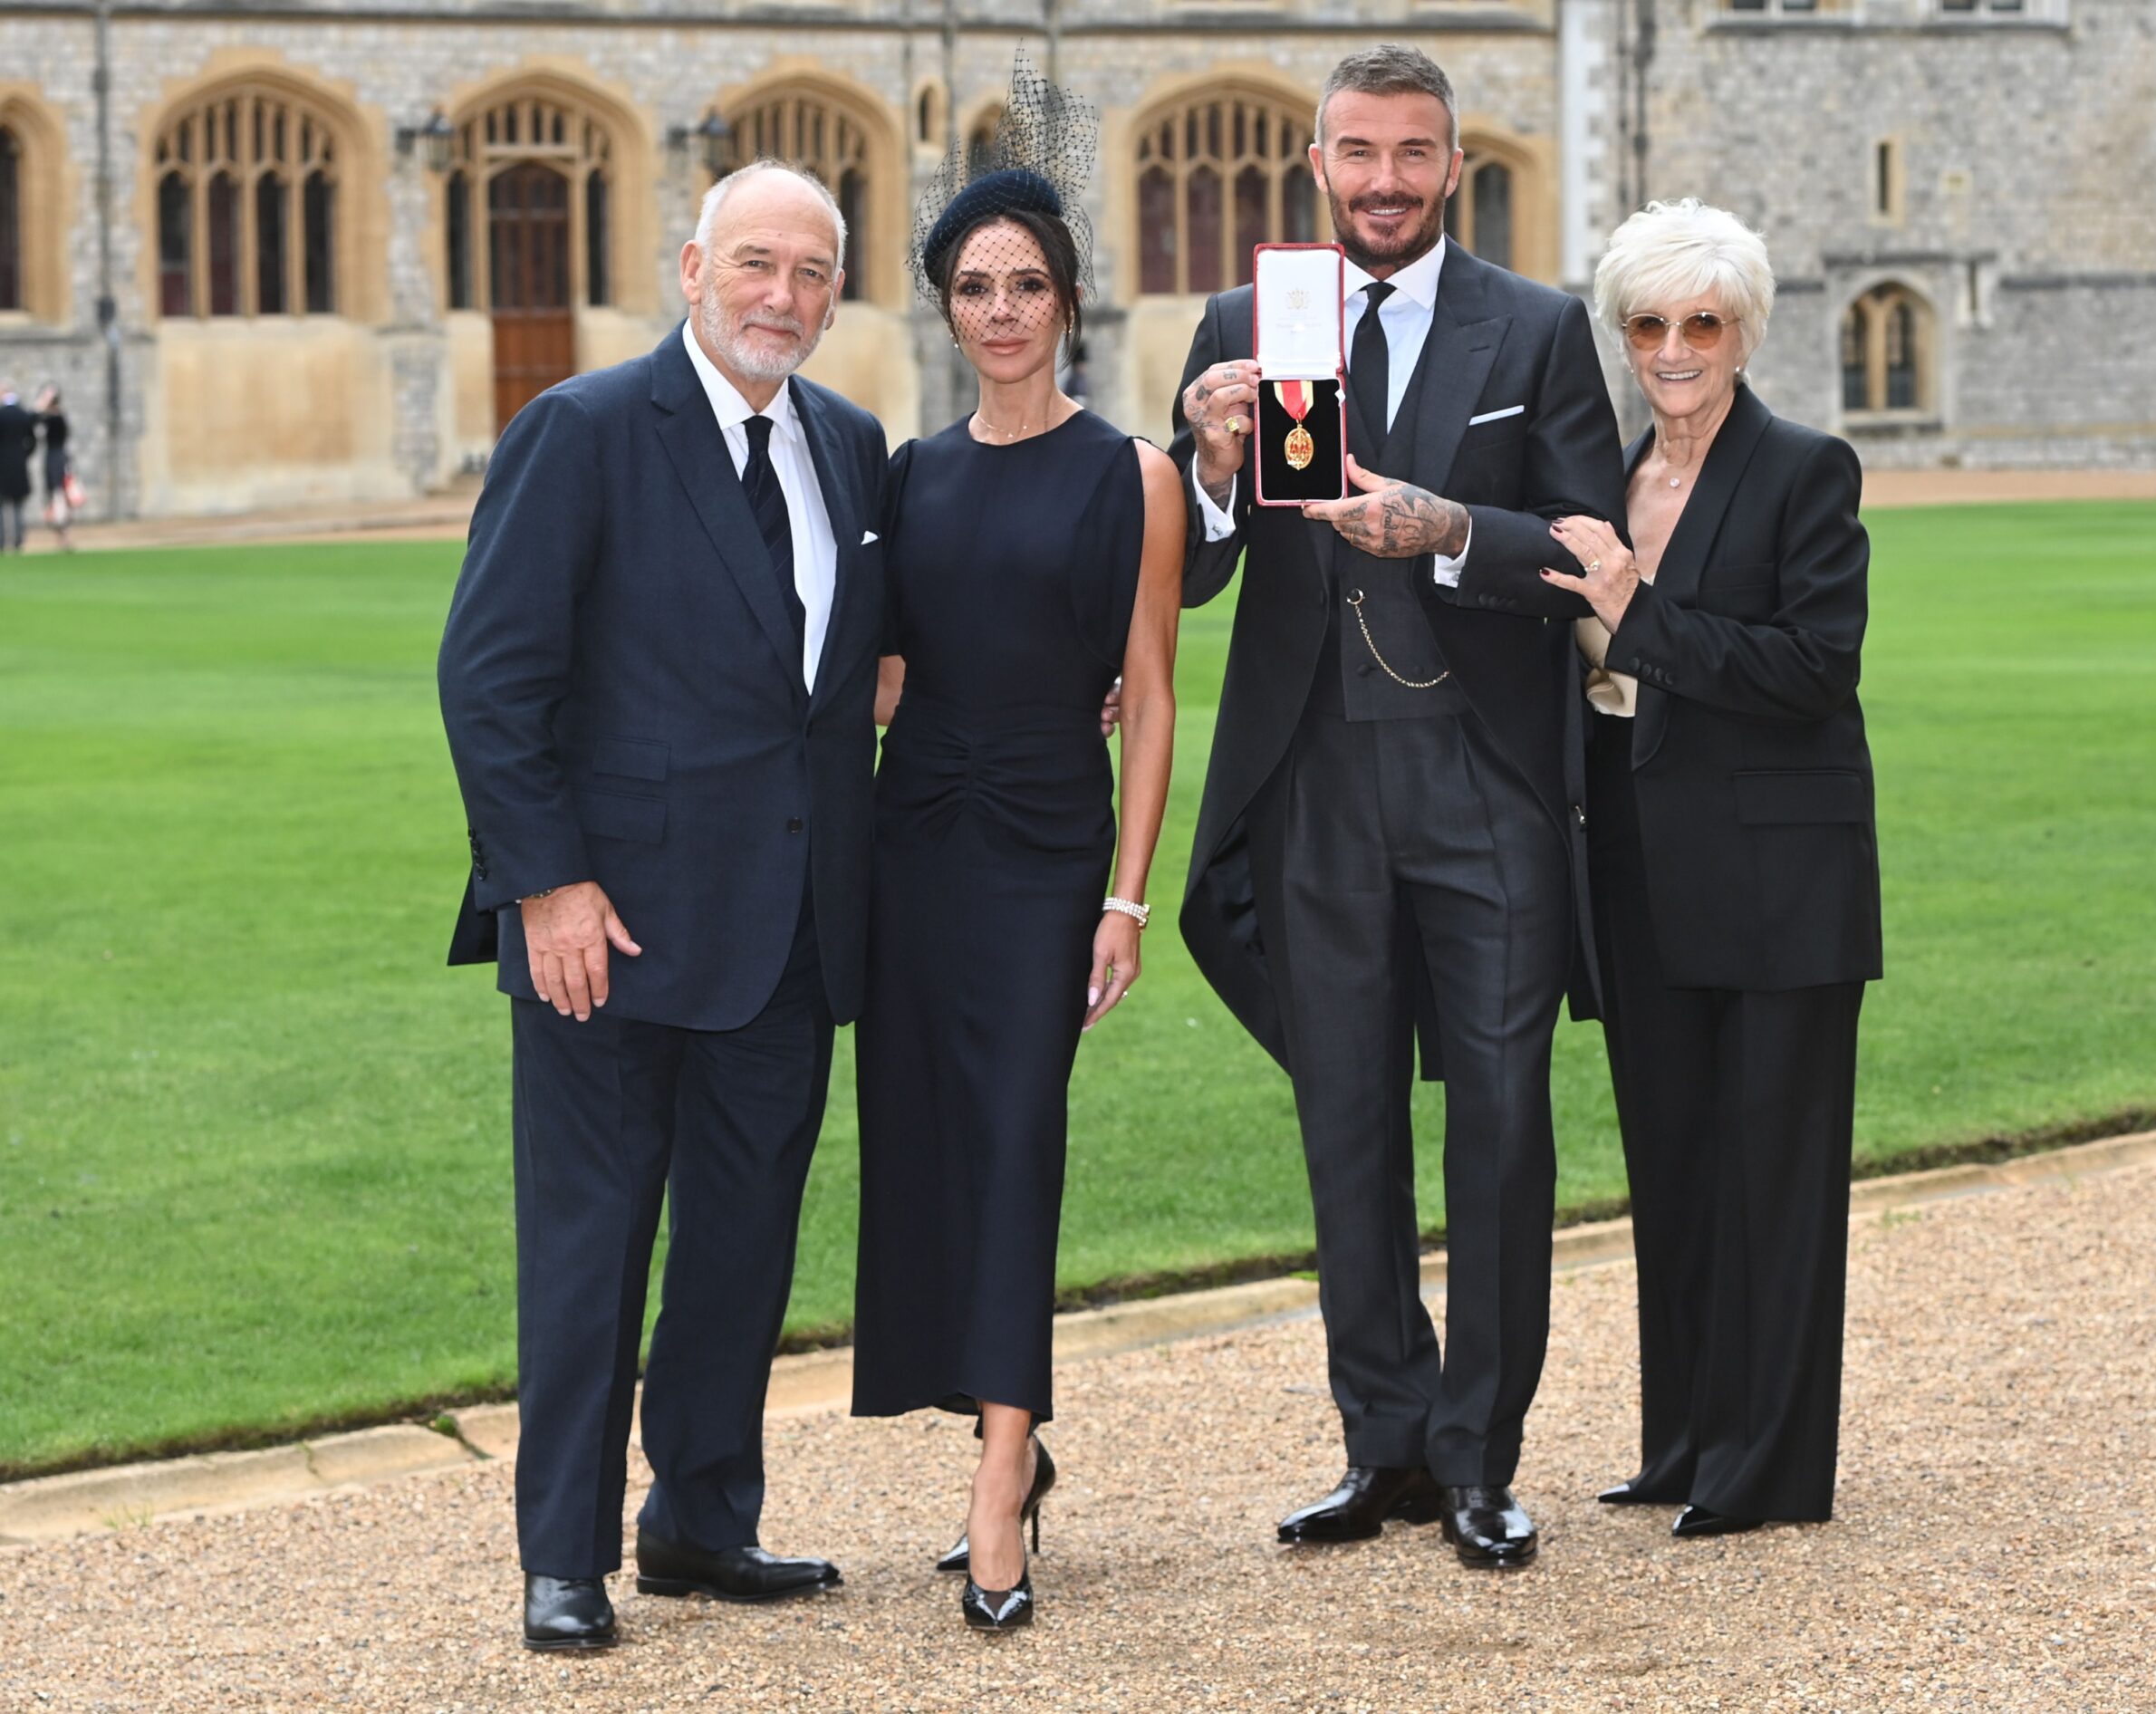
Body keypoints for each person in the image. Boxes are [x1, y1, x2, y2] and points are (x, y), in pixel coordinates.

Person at [1170, 43, 1626, 1569]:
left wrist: (1447, 530)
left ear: (1452, 165)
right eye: (1356, 154)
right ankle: (1387, 1445)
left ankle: (1481, 1456)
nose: (1383, 181)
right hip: (1313, 783)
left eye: (1411, 155)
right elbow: (1205, 568)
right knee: (1345, 1124)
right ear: (1318, 163)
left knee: (1502, 1129)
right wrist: (1217, 473)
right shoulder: (1254, 318)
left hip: (1485, 783)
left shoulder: (1540, 328)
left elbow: (1583, 546)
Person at [438, 161, 889, 1652]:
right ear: (692, 268)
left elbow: (844, 676)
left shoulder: (850, 443)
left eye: (813, 273)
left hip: (787, 932)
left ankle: (700, 1519)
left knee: (741, 1252)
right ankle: (560, 1554)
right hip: (606, 934)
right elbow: (493, 676)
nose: (784, 296)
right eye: (758, 263)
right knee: (590, 1253)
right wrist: (547, 883)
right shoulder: (579, 431)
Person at [1453, 198, 1881, 1538]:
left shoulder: (1808, 469)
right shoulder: (1617, 481)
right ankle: (1686, 1439)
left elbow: (1817, 671)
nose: (1676, 348)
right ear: (1622, 335)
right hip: (1634, 868)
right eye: (1650, 323)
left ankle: (1770, 1465)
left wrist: (1641, 614)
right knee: (1677, 1164)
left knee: (1774, 1179)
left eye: (1703, 323)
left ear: (1743, 331)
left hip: (1779, 879)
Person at [850, 63, 1185, 1633]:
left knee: (1017, 1147)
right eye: (974, 287)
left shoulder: (1134, 476)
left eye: (1027, 284)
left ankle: (1002, 1477)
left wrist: (1128, 893)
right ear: (944, 308)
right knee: (927, 1145)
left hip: (1050, 856)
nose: (1001, 309)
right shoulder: (906, 478)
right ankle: (1002, 1434)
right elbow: (887, 673)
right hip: (914, 849)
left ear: (1067, 301)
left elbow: (1158, 695)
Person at [35, 388, 74, 551]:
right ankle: (62, 536)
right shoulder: (60, 418)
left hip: (54, 459)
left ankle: (63, 535)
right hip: (60, 457)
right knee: (59, 497)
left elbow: (35, 417)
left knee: (58, 496)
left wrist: (42, 405)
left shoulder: (52, 419)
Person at [0, 380, 34, 554]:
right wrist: (24, 455)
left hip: (3, 466)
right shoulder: (23, 414)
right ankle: (18, 541)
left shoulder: (1, 415)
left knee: (2, 505)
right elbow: (32, 440)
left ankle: (2, 541)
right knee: (19, 505)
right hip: (19, 464)